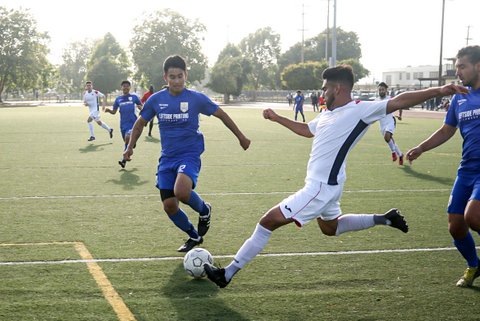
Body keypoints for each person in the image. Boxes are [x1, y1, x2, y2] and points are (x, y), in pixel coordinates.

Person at [204, 64, 468, 288]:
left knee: (267, 221)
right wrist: (277, 118)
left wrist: (439, 90)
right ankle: (384, 219)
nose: (322, 92)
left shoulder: (360, 110)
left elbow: (401, 100)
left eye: (325, 88)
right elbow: (308, 130)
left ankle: (227, 273)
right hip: (329, 185)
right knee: (330, 228)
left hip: (320, 188)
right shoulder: (327, 114)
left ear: (338, 88)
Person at [123, 55, 251, 252]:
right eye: (172, 77)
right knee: (169, 206)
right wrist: (130, 147)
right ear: (165, 77)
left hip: (189, 154)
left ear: (186, 76)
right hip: (167, 158)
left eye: (180, 76)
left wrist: (241, 137)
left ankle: (204, 210)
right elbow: (140, 123)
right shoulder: (156, 100)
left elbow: (222, 115)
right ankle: (194, 235)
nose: (176, 81)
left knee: (181, 192)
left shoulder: (196, 98)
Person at [406, 45, 480, 288]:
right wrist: (421, 148)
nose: (457, 71)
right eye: (456, 66)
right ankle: (474, 265)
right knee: (456, 225)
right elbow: (448, 129)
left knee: (474, 216)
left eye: (462, 66)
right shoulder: (459, 96)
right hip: (467, 169)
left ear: (478, 66)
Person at [104, 80, 143, 169]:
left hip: (133, 123)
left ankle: (123, 160)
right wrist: (108, 110)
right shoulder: (118, 99)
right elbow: (114, 112)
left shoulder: (134, 97)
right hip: (123, 125)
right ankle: (131, 147)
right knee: (126, 141)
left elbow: (141, 107)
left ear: (130, 87)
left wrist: (141, 109)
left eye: (127, 86)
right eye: (124, 86)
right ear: (121, 88)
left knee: (127, 137)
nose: (125, 87)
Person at [376, 82, 404, 165]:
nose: (381, 91)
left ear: (386, 90)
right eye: (380, 90)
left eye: (383, 90)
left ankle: (393, 153)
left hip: (390, 121)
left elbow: (400, 105)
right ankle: (400, 154)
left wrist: (399, 115)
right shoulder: (376, 101)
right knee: (389, 140)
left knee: (387, 137)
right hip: (382, 123)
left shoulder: (390, 99)